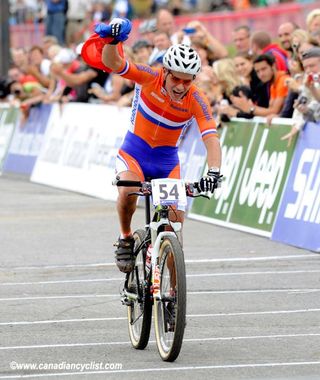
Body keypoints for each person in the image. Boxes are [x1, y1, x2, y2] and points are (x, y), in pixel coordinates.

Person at [90, 18, 222, 273]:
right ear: (166, 72)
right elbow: (114, 63)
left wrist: (213, 172)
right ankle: (125, 237)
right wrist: (114, 40)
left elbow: (210, 136)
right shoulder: (150, 77)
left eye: (188, 81)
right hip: (134, 153)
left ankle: (171, 290)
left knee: (175, 225)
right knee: (127, 194)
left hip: (166, 161)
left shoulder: (196, 98)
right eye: (177, 80)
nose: (182, 87)